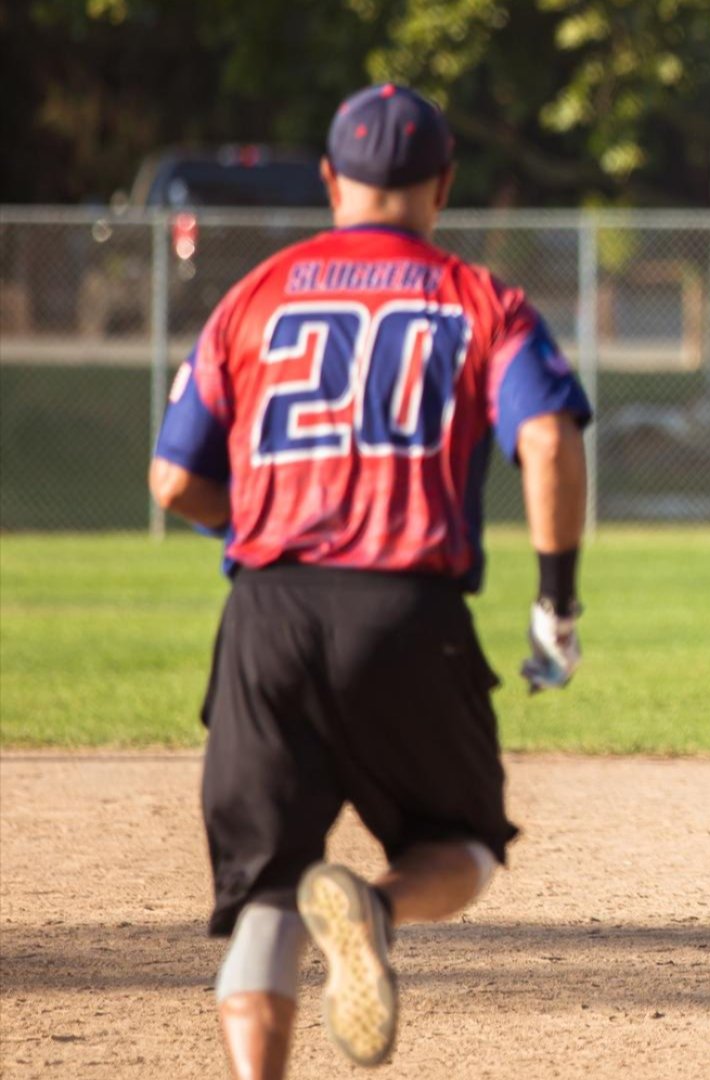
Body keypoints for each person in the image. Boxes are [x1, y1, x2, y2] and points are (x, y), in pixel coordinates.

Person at [147, 84, 592, 1079]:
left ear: (329, 182)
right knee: (464, 846)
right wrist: (556, 601)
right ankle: (376, 910)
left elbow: (174, 480)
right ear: (443, 184)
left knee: (264, 897)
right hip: (405, 607)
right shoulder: (480, 299)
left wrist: (254, 523)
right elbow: (550, 443)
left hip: (265, 610)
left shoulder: (255, 294)